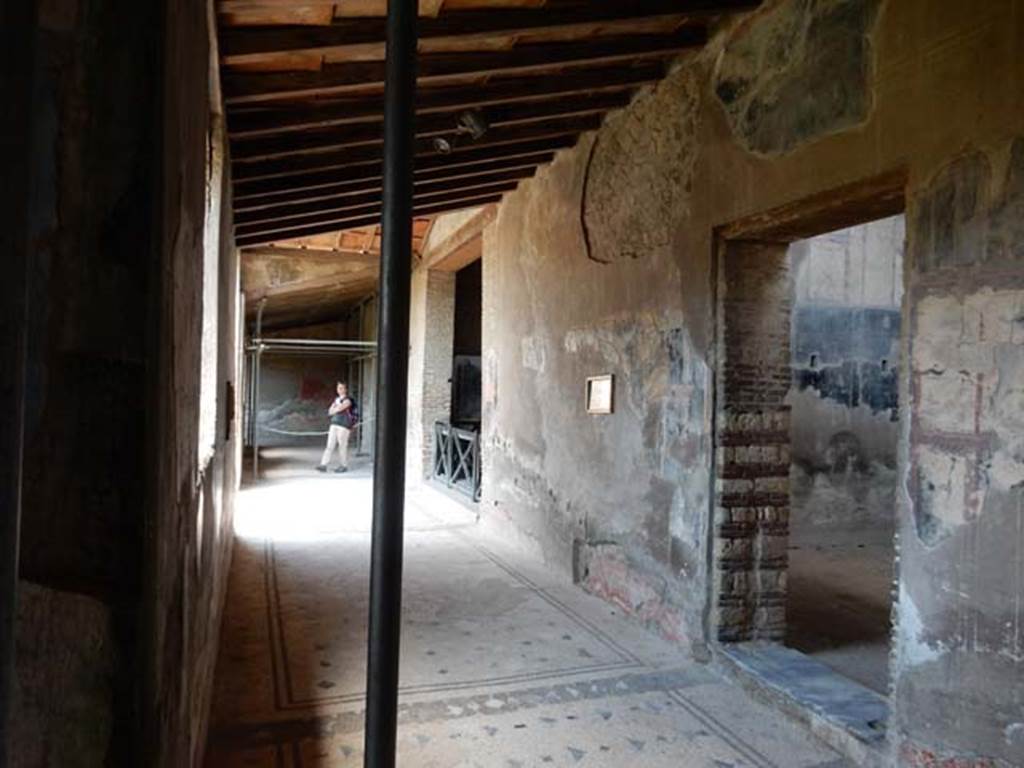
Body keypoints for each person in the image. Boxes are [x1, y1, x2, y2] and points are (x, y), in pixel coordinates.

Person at [317, 381, 355, 473]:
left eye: (342, 388)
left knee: (342, 446)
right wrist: (336, 408)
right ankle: (323, 464)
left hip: (344, 425)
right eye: (338, 388)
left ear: (346, 389)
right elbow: (330, 412)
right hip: (334, 424)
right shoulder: (336, 400)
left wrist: (336, 408)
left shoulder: (348, 400)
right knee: (329, 445)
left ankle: (343, 465)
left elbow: (339, 408)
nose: (340, 390)